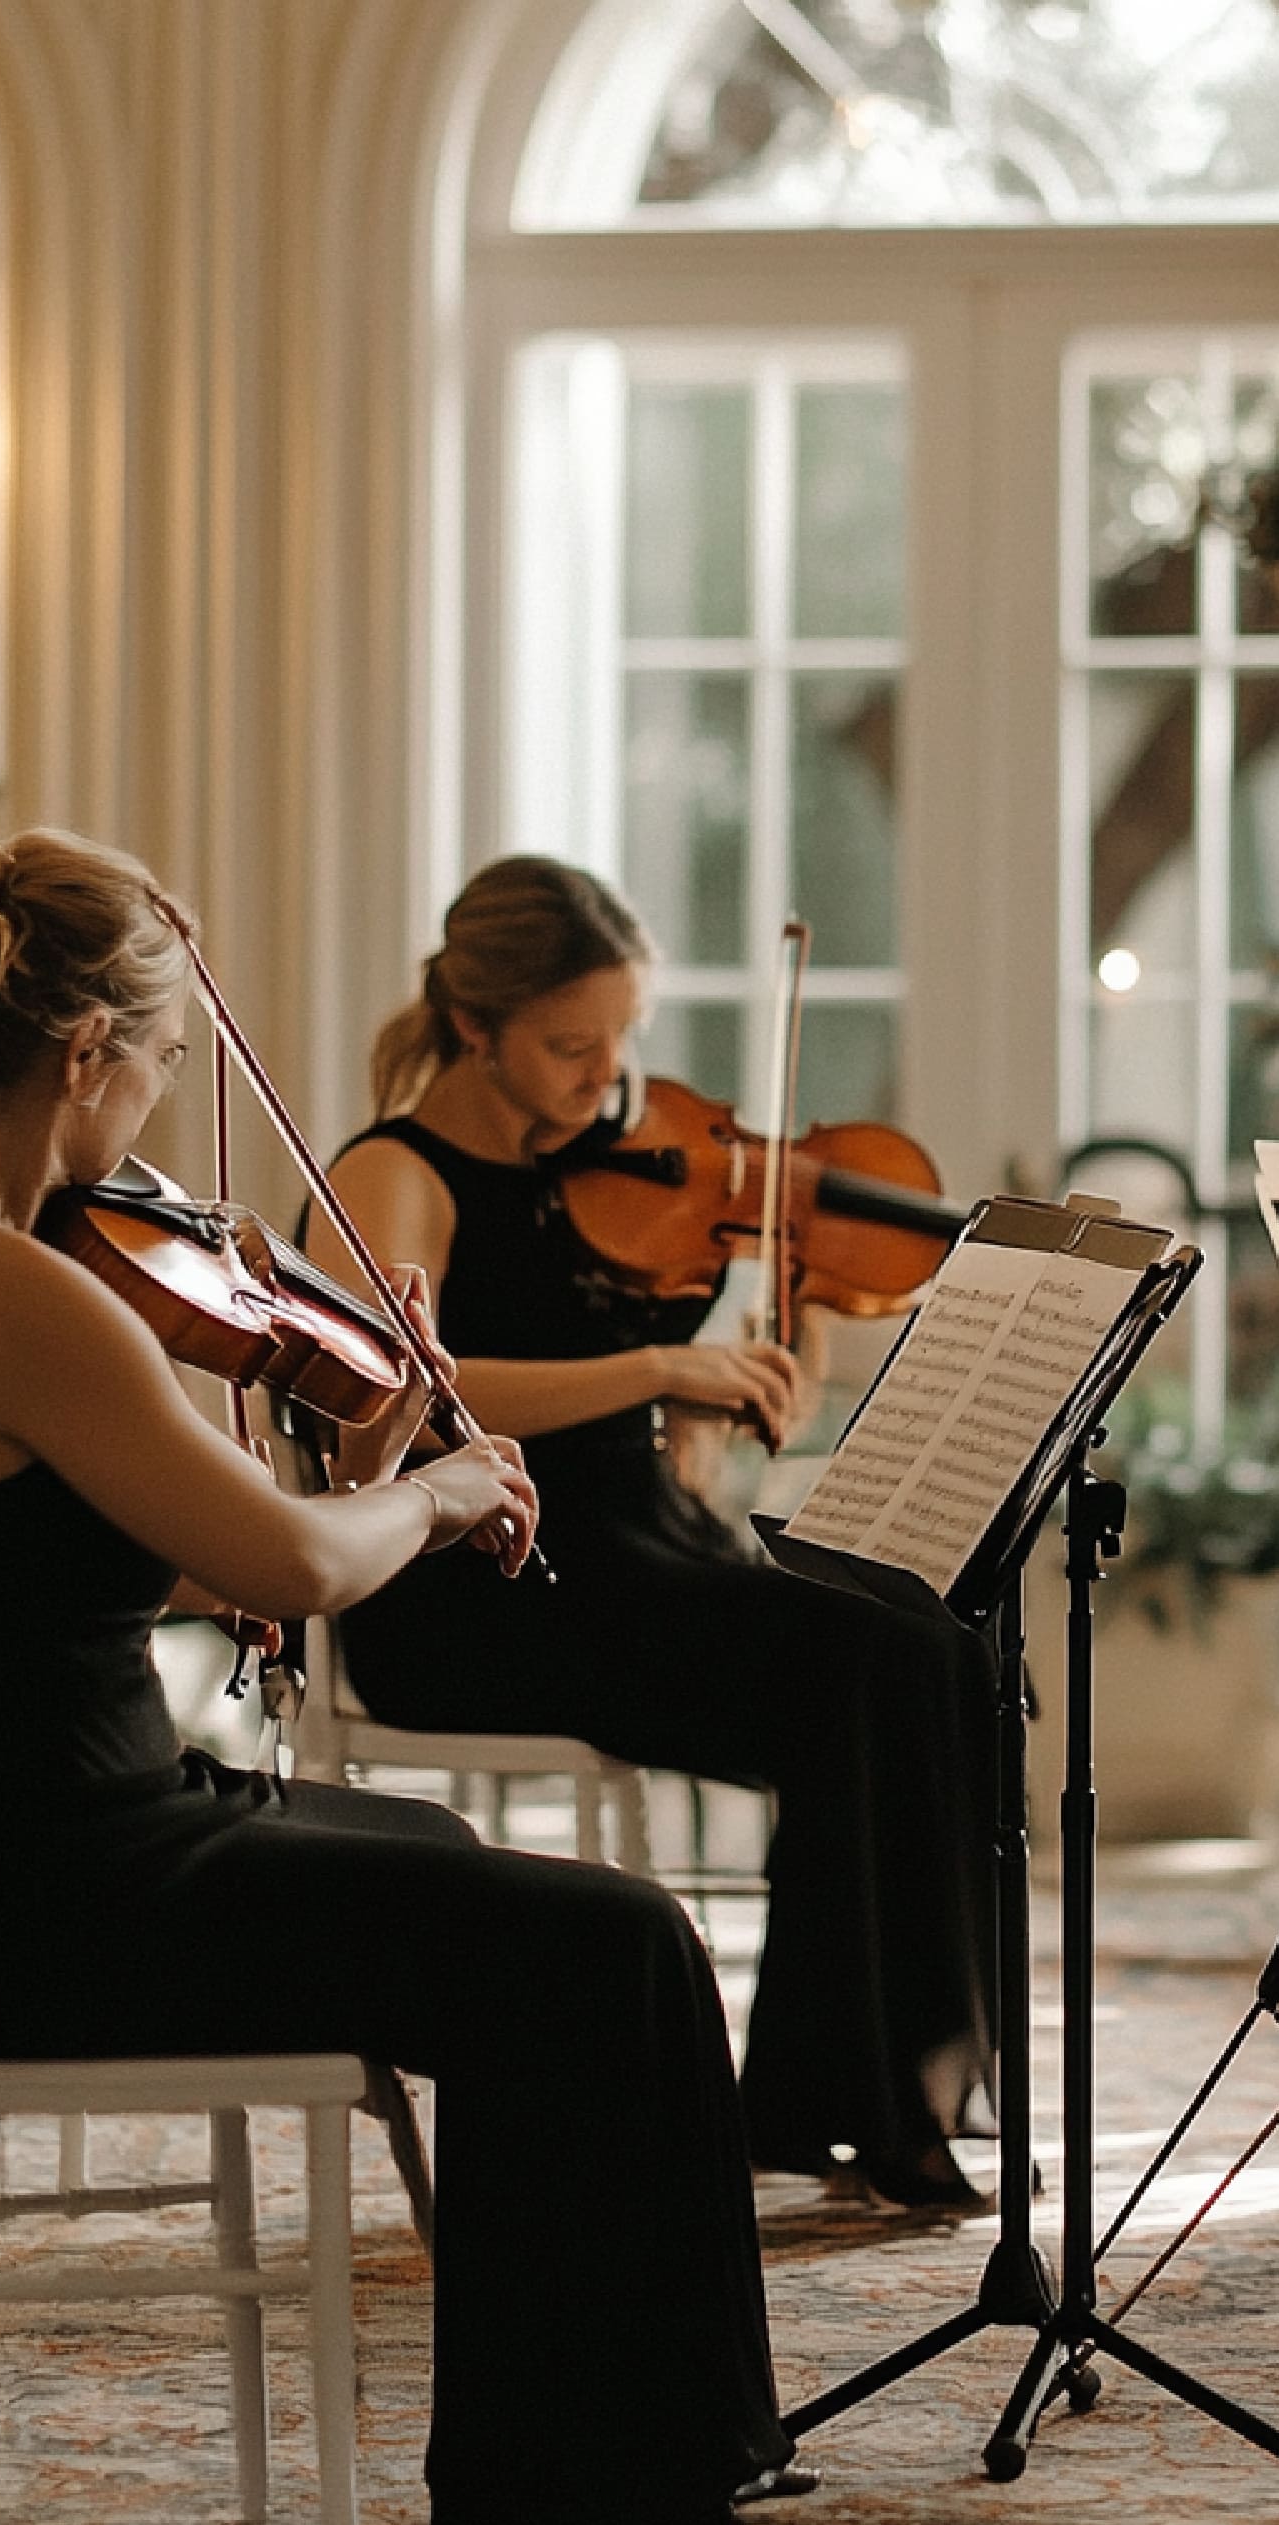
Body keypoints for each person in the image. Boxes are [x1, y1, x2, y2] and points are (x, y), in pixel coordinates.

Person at [0, 830, 802, 2525]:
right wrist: (438, 1489)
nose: (164, 1109)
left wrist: (354, 1438)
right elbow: (285, 1571)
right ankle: (569, 2481)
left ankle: (631, 2445)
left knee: (498, 1888)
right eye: (166, 1062)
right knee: (608, 1941)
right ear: (84, 1057)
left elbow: (192, 1552)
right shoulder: (16, 1291)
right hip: (48, 1890)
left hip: (27, 1843)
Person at [313, 854, 998, 2212]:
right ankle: (835, 2098)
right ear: (474, 1026)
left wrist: (747, 1367)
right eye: (572, 1045)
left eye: (624, 1036)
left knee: (931, 1638)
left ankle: (889, 2084)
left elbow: (663, 1369)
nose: (605, 1074)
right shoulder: (395, 1172)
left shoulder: (615, 1169)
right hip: (479, 1585)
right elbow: (396, 1382)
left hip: (643, 1550)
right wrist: (655, 1375)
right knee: (856, 1660)